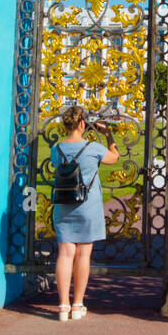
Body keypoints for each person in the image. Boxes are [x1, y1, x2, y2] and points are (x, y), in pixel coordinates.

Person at [51, 105, 119, 321]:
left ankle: (63, 306)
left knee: (65, 254)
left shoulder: (57, 149)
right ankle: (78, 305)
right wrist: (108, 134)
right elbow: (114, 158)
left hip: (63, 205)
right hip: (88, 206)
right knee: (83, 255)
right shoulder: (93, 148)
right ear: (83, 124)